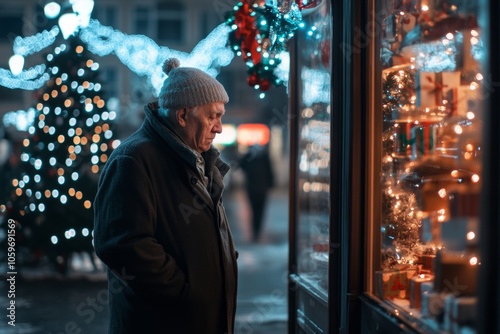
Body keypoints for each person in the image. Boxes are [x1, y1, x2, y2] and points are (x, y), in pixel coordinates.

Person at [93, 58, 238, 334]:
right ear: (182, 115)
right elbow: (122, 243)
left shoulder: (198, 159)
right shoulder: (134, 159)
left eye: (221, 116)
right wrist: (183, 292)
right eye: (212, 116)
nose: (219, 127)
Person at [239, 143, 275, 242]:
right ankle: (256, 230)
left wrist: (271, 184)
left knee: (258, 210)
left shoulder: (263, 158)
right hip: (255, 188)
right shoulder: (253, 157)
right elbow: (241, 165)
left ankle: (257, 230)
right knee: (256, 209)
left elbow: (269, 171)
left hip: (259, 188)